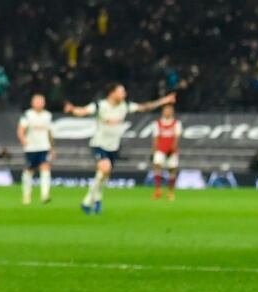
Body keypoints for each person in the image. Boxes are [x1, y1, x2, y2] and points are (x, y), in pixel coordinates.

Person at [63, 84, 175, 215]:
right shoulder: (100, 105)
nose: (124, 94)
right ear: (112, 93)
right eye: (121, 91)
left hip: (114, 147)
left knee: (102, 176)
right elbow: (83, 111)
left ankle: (96, 201)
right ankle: (87, 202)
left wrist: (164, 101)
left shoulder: (125, 106)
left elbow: (145, 107)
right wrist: (72, 109)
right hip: (99, 144)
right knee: (105, 168)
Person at [16, 93, 53, 205]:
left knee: (45, 168)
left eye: (41, 101)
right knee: (29, 170)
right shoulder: (27, 115)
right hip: (31, 148)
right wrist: (23, 140)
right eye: (37, 101)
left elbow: (50, 132)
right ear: (32, 103)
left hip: (44, 147)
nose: (39, 104)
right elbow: (20, 130)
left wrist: (51, 147)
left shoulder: (48, 115)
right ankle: (26, 195)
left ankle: (45, 195)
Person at [151, 103, 182, 201]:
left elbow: (176, 138)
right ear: (163, 112)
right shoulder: (157, 123)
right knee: (157, 166)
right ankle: (158, 190)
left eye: (169, 110)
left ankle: (171, 192)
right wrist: (154, 151)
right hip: (160, 150)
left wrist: (173, 149)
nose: (168, 112)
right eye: (166, 110)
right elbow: (155, 138)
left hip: (172, 151)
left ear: (172, 112)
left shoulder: (176, 123)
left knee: (172, 170)